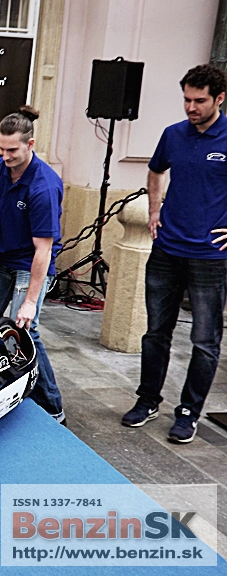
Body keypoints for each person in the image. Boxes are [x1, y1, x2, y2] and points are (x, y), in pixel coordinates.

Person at [123, 64, 227, 444]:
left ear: (219, 99)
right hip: (167, 249)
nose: (191, 107)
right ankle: (148, 399)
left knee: (204, 340)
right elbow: (156, 171)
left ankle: (188, 412)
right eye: (186, 99)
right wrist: (154, 210)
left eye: (199, 101)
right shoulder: (173, 134)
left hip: (210, 256)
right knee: (155, 333)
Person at [0, 106, 65, 424]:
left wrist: (29, 301)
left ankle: (52, 406)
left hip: (31, 263)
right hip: (0, 256)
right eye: (1, 148)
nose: (5, 155)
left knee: (26, 331)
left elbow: (43, 250)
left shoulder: (44, 186)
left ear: (30, 144)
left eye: (12, 150)